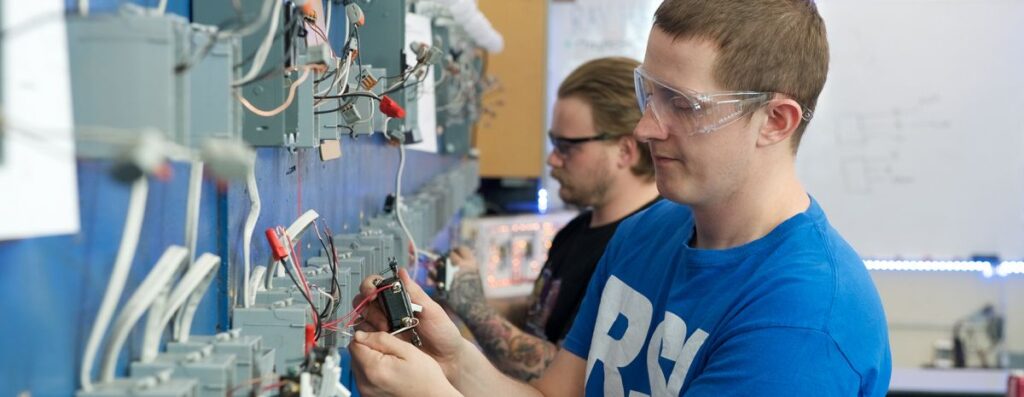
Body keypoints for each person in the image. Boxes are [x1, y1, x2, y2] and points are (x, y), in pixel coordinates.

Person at [347, 0, 893, 396]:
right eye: (648, 94)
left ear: (775, 120)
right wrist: (454, 360)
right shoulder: (645, 233)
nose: (648, 127)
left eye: (683, 104)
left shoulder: (804, 322)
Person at [440, 56, 661, 381]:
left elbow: (557, 370)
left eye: (567, 146)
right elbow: (540, 314)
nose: (552, 158)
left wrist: (475, 309)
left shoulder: (641, 251)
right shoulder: (577, 230)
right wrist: (460, 296)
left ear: (625, 151)